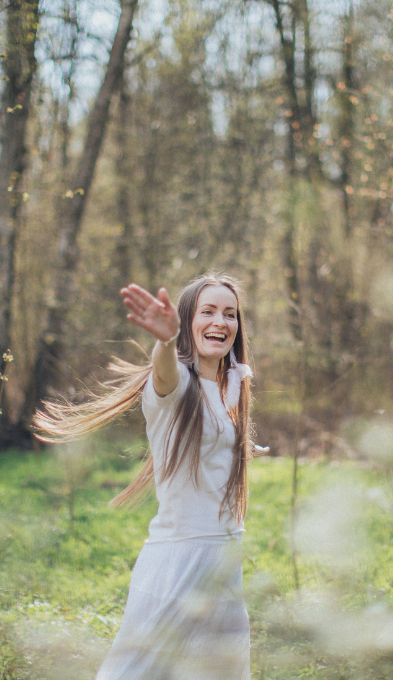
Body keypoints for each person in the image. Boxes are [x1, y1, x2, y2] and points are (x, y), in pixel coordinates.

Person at [32, 271, 261, 680]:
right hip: (178, 559)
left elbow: (216, 442)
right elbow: (165, 375)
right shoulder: (176, 387)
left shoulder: (234, 383)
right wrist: (165, 341)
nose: (220, 323)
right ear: (188, 322)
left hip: (225, 556)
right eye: (207, 312)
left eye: (230, 314)